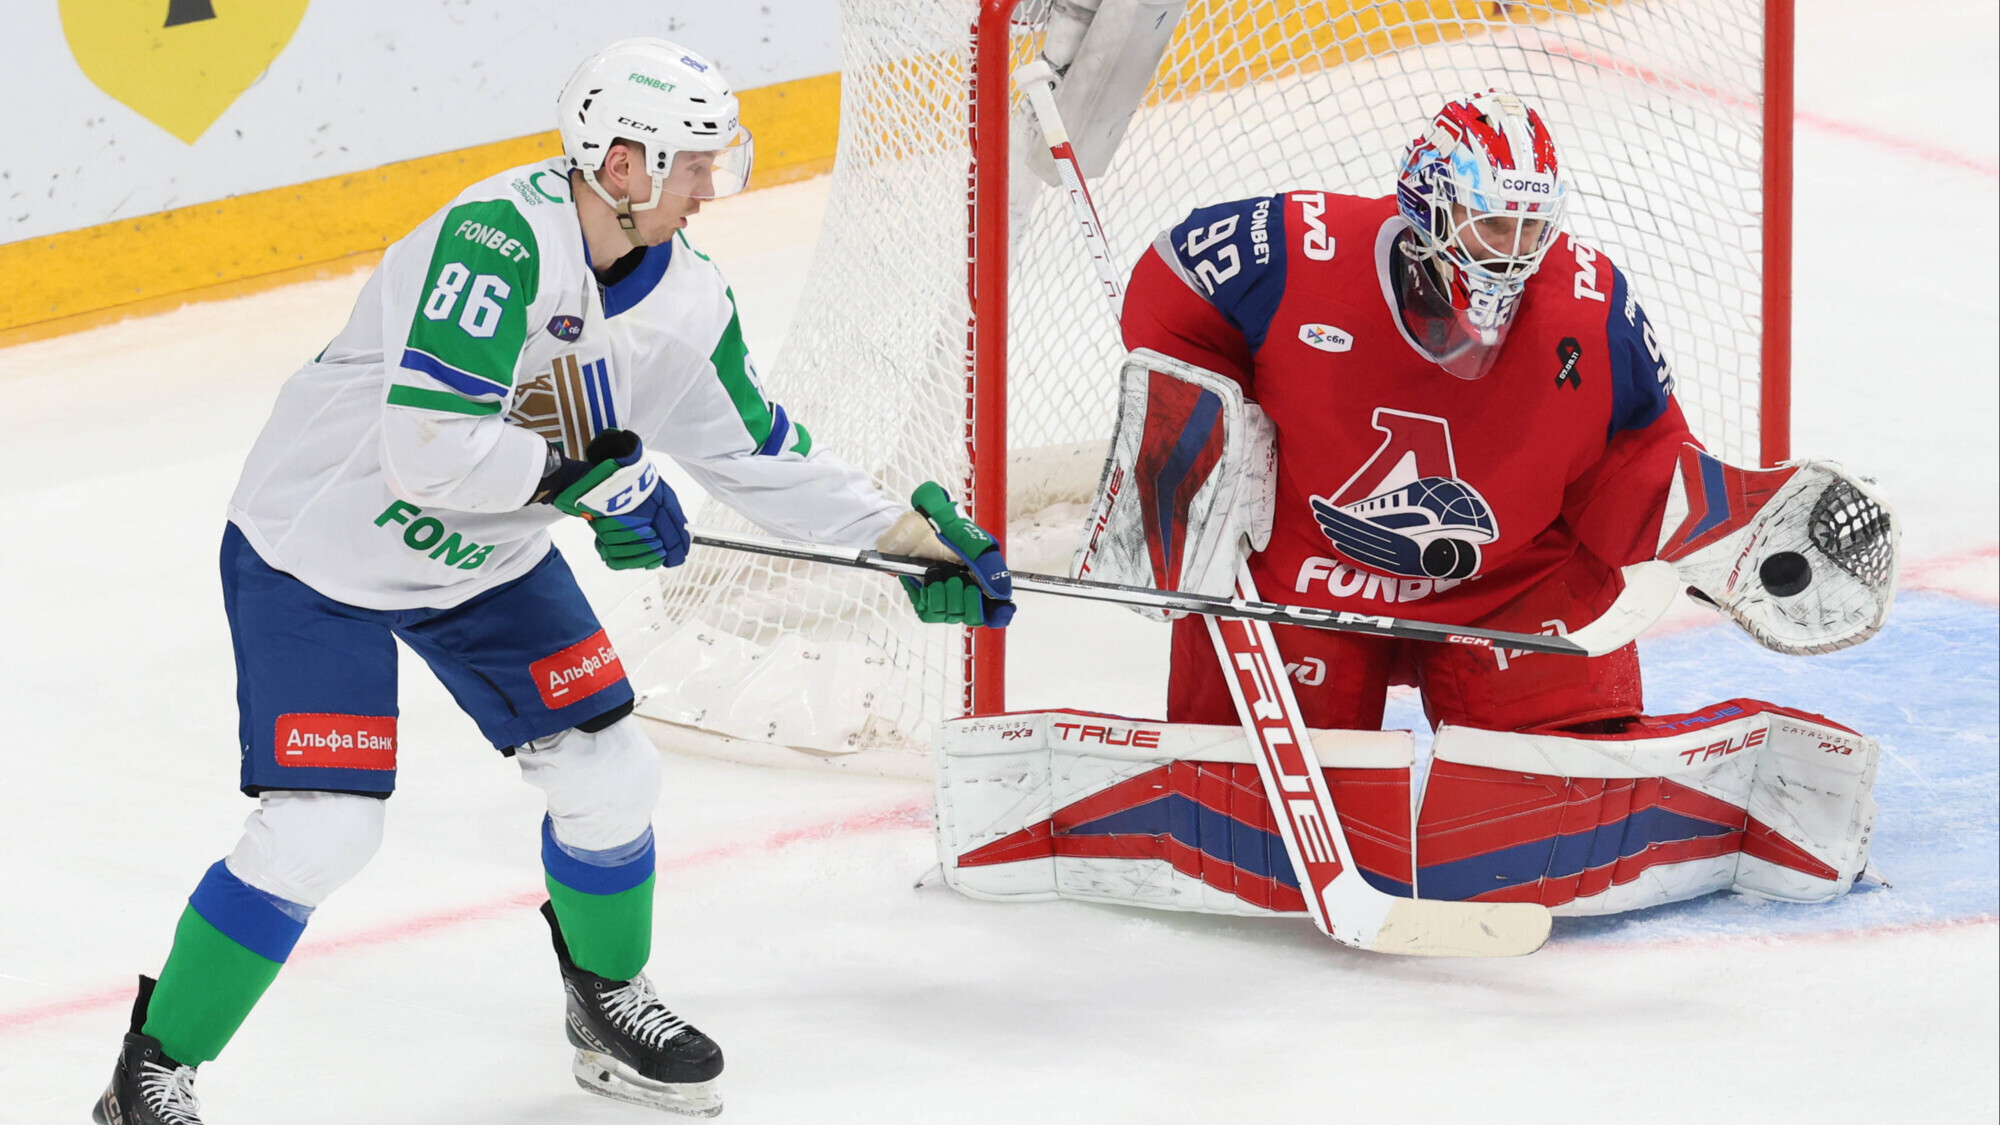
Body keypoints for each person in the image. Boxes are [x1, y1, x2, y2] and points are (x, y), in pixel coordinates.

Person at [93, 38, 1012, 1125]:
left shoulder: (688, 301)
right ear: (622, 166)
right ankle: (151, 1072)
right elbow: (428, 451)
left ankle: (605, 1000)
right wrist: (599, 485)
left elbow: (754, 452)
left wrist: (897, 537)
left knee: (611, 773)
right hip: (320, 553)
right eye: (691, 165)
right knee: (322, 831)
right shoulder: (495, 242)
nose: (709, 188)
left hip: (484, 563)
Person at [1121, 88, 1677, 735]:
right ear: (1431, 205)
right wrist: (1201, 422)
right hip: (1305, 576)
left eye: (1531, 226)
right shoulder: (1298, 247)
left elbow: (1644, 457)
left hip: (1513, 584)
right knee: (1241, 782)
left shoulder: (1592, 305)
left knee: (1563, 779)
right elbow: (1172, 282)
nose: (1514, 251)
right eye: (1493, 223)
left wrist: (1720, 536)